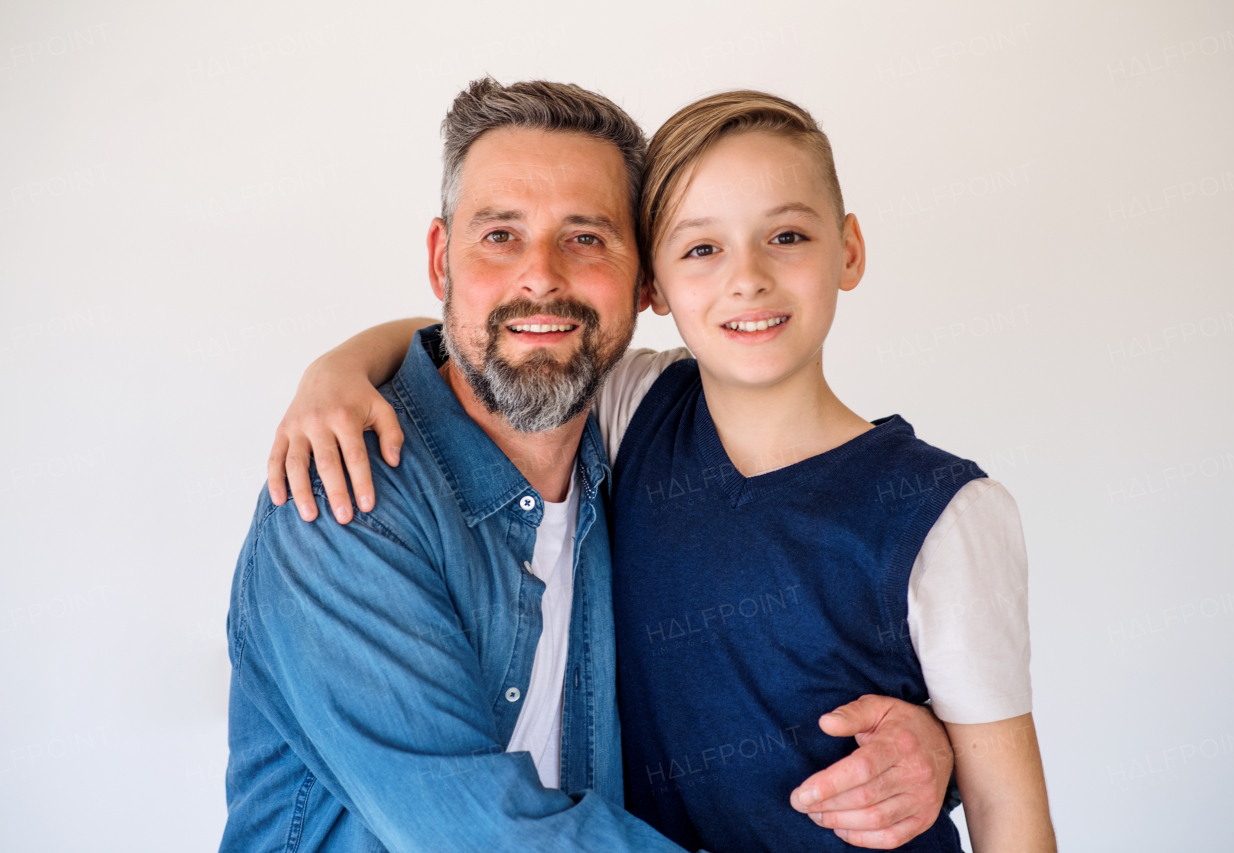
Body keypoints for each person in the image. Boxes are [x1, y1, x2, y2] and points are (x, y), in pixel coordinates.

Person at [268, 87, 1056, 852]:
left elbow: (1007, 799)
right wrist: (339, 367)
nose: (540, 274)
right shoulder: (359, 491)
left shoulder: (617, 425)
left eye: (585, 238)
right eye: (499, 235)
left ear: (639, 283)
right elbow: (498, 332)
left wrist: (943, 750)